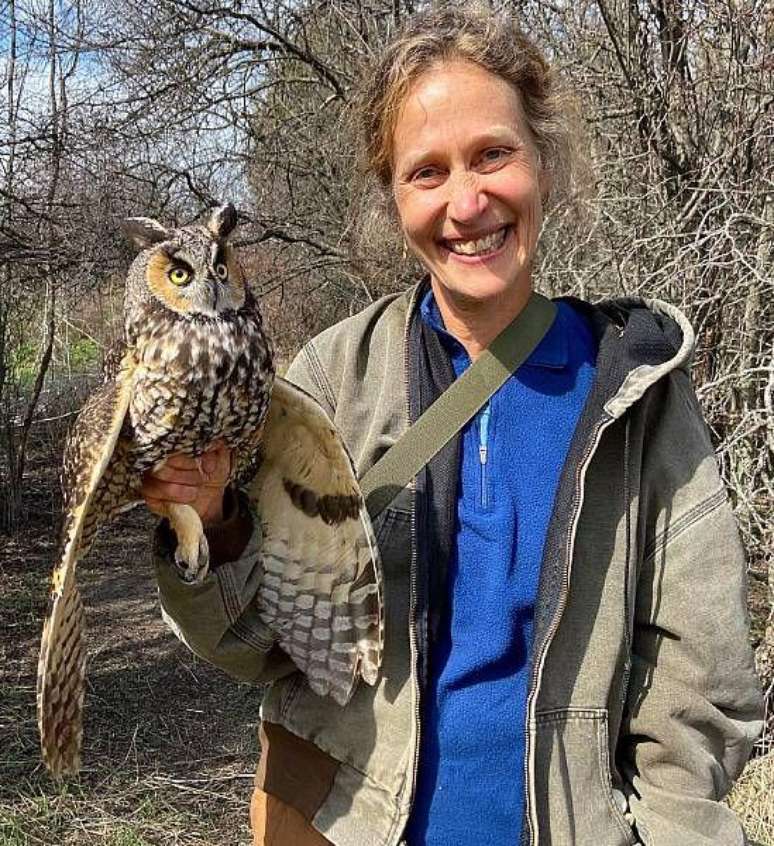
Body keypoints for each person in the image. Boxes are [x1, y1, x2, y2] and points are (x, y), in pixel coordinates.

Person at [142, 5, 763, 845]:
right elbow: (258, 644)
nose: (467, 203)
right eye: (427, 172)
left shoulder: (639, 393)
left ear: (542, 159)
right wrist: (212, 523)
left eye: (493, 154)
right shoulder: (331, 382)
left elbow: (699, 688)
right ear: (393, 198)